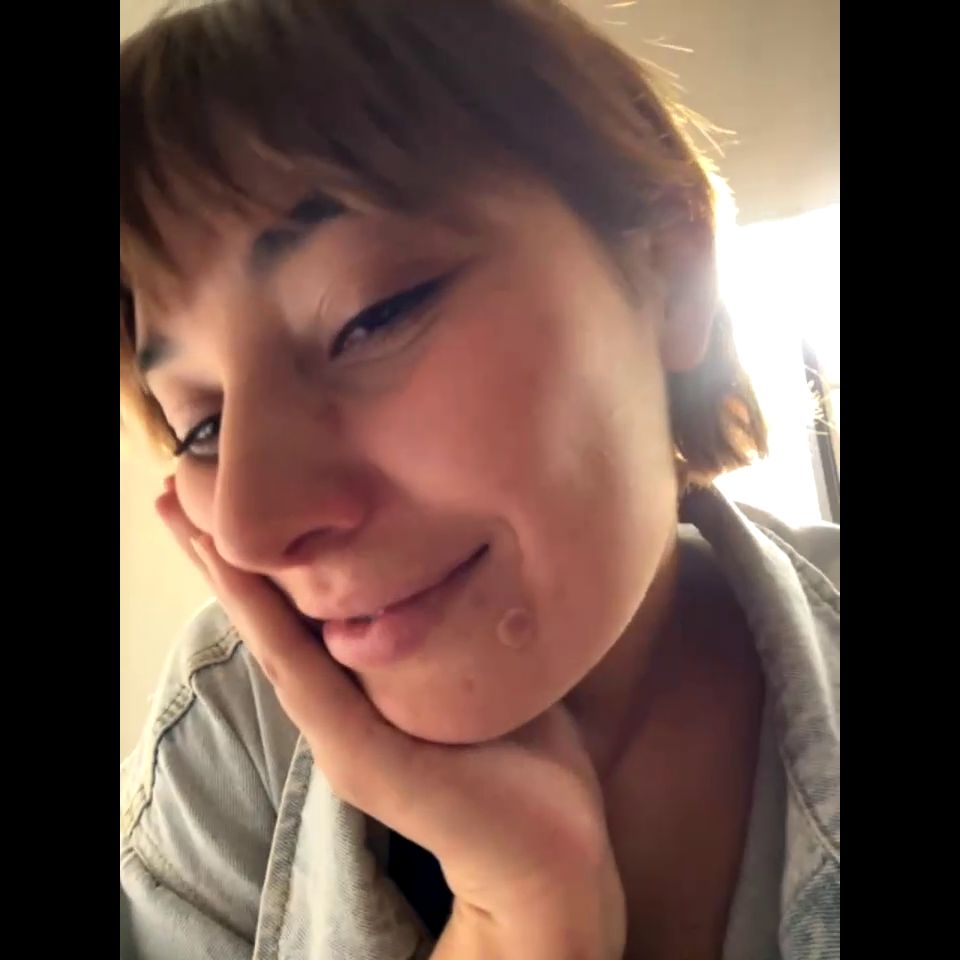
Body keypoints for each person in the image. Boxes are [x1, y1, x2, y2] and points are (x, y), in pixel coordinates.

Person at [119, 2, 840, 958]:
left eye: (371, 317)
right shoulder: (227, 741)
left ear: (670, 272)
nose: (251, 524)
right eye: (201, 427)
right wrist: (524, 914)